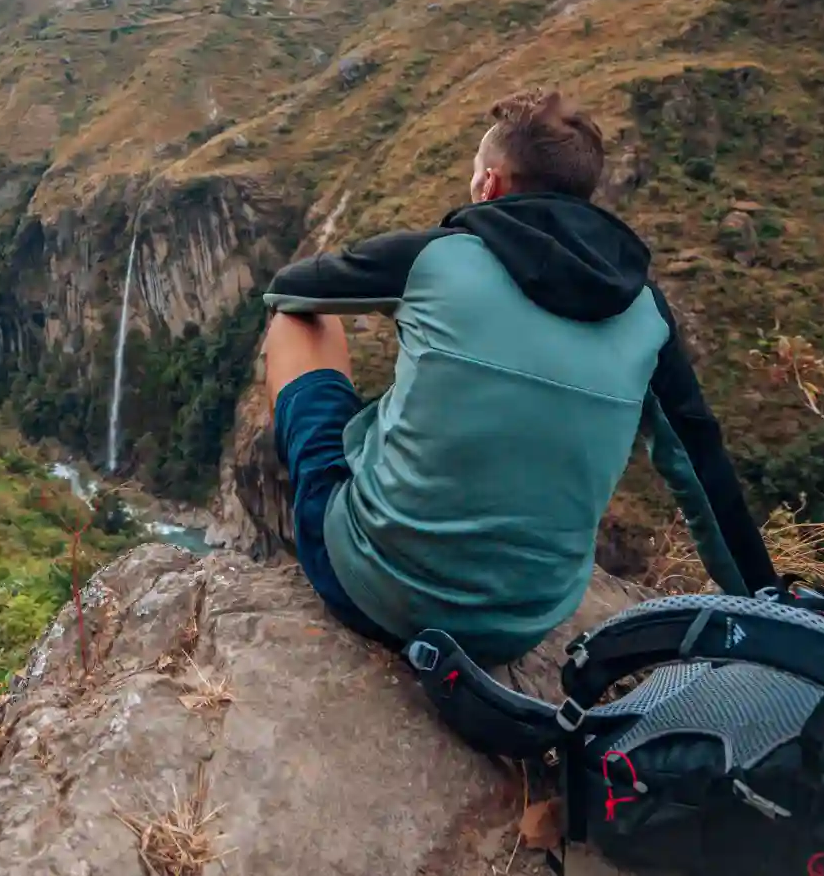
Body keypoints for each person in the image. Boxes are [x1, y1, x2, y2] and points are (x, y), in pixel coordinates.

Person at [263, 88, 777, 661]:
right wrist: (769, 601)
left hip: (371, 592)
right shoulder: (647, 314)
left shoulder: (434, 257)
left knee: (297, 321)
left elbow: (288, 287)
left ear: (491, 185)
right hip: (518, 629)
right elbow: (702, 470)